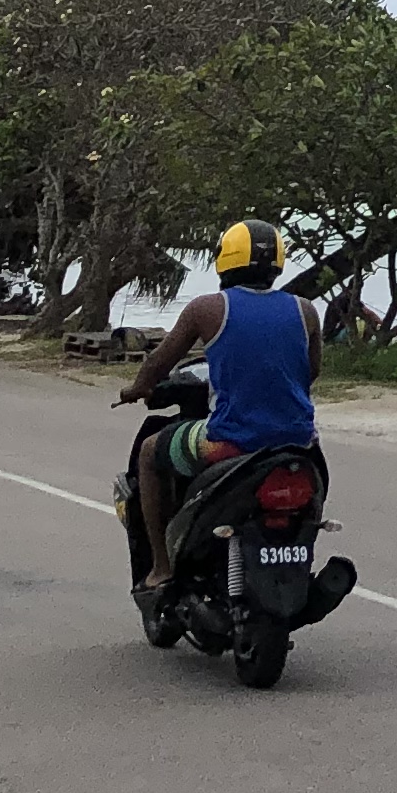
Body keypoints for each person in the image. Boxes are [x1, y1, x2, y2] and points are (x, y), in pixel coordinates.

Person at [122, 218, 320, 594]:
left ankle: (162, 568)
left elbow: (159, 363)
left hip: (231, 442)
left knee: (150, 453)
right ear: (277, 263)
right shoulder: (304, 310)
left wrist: (137, 389)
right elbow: (310, 372)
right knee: (313, 485)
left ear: (225, 259)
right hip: (300, 442)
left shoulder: (206, 309)